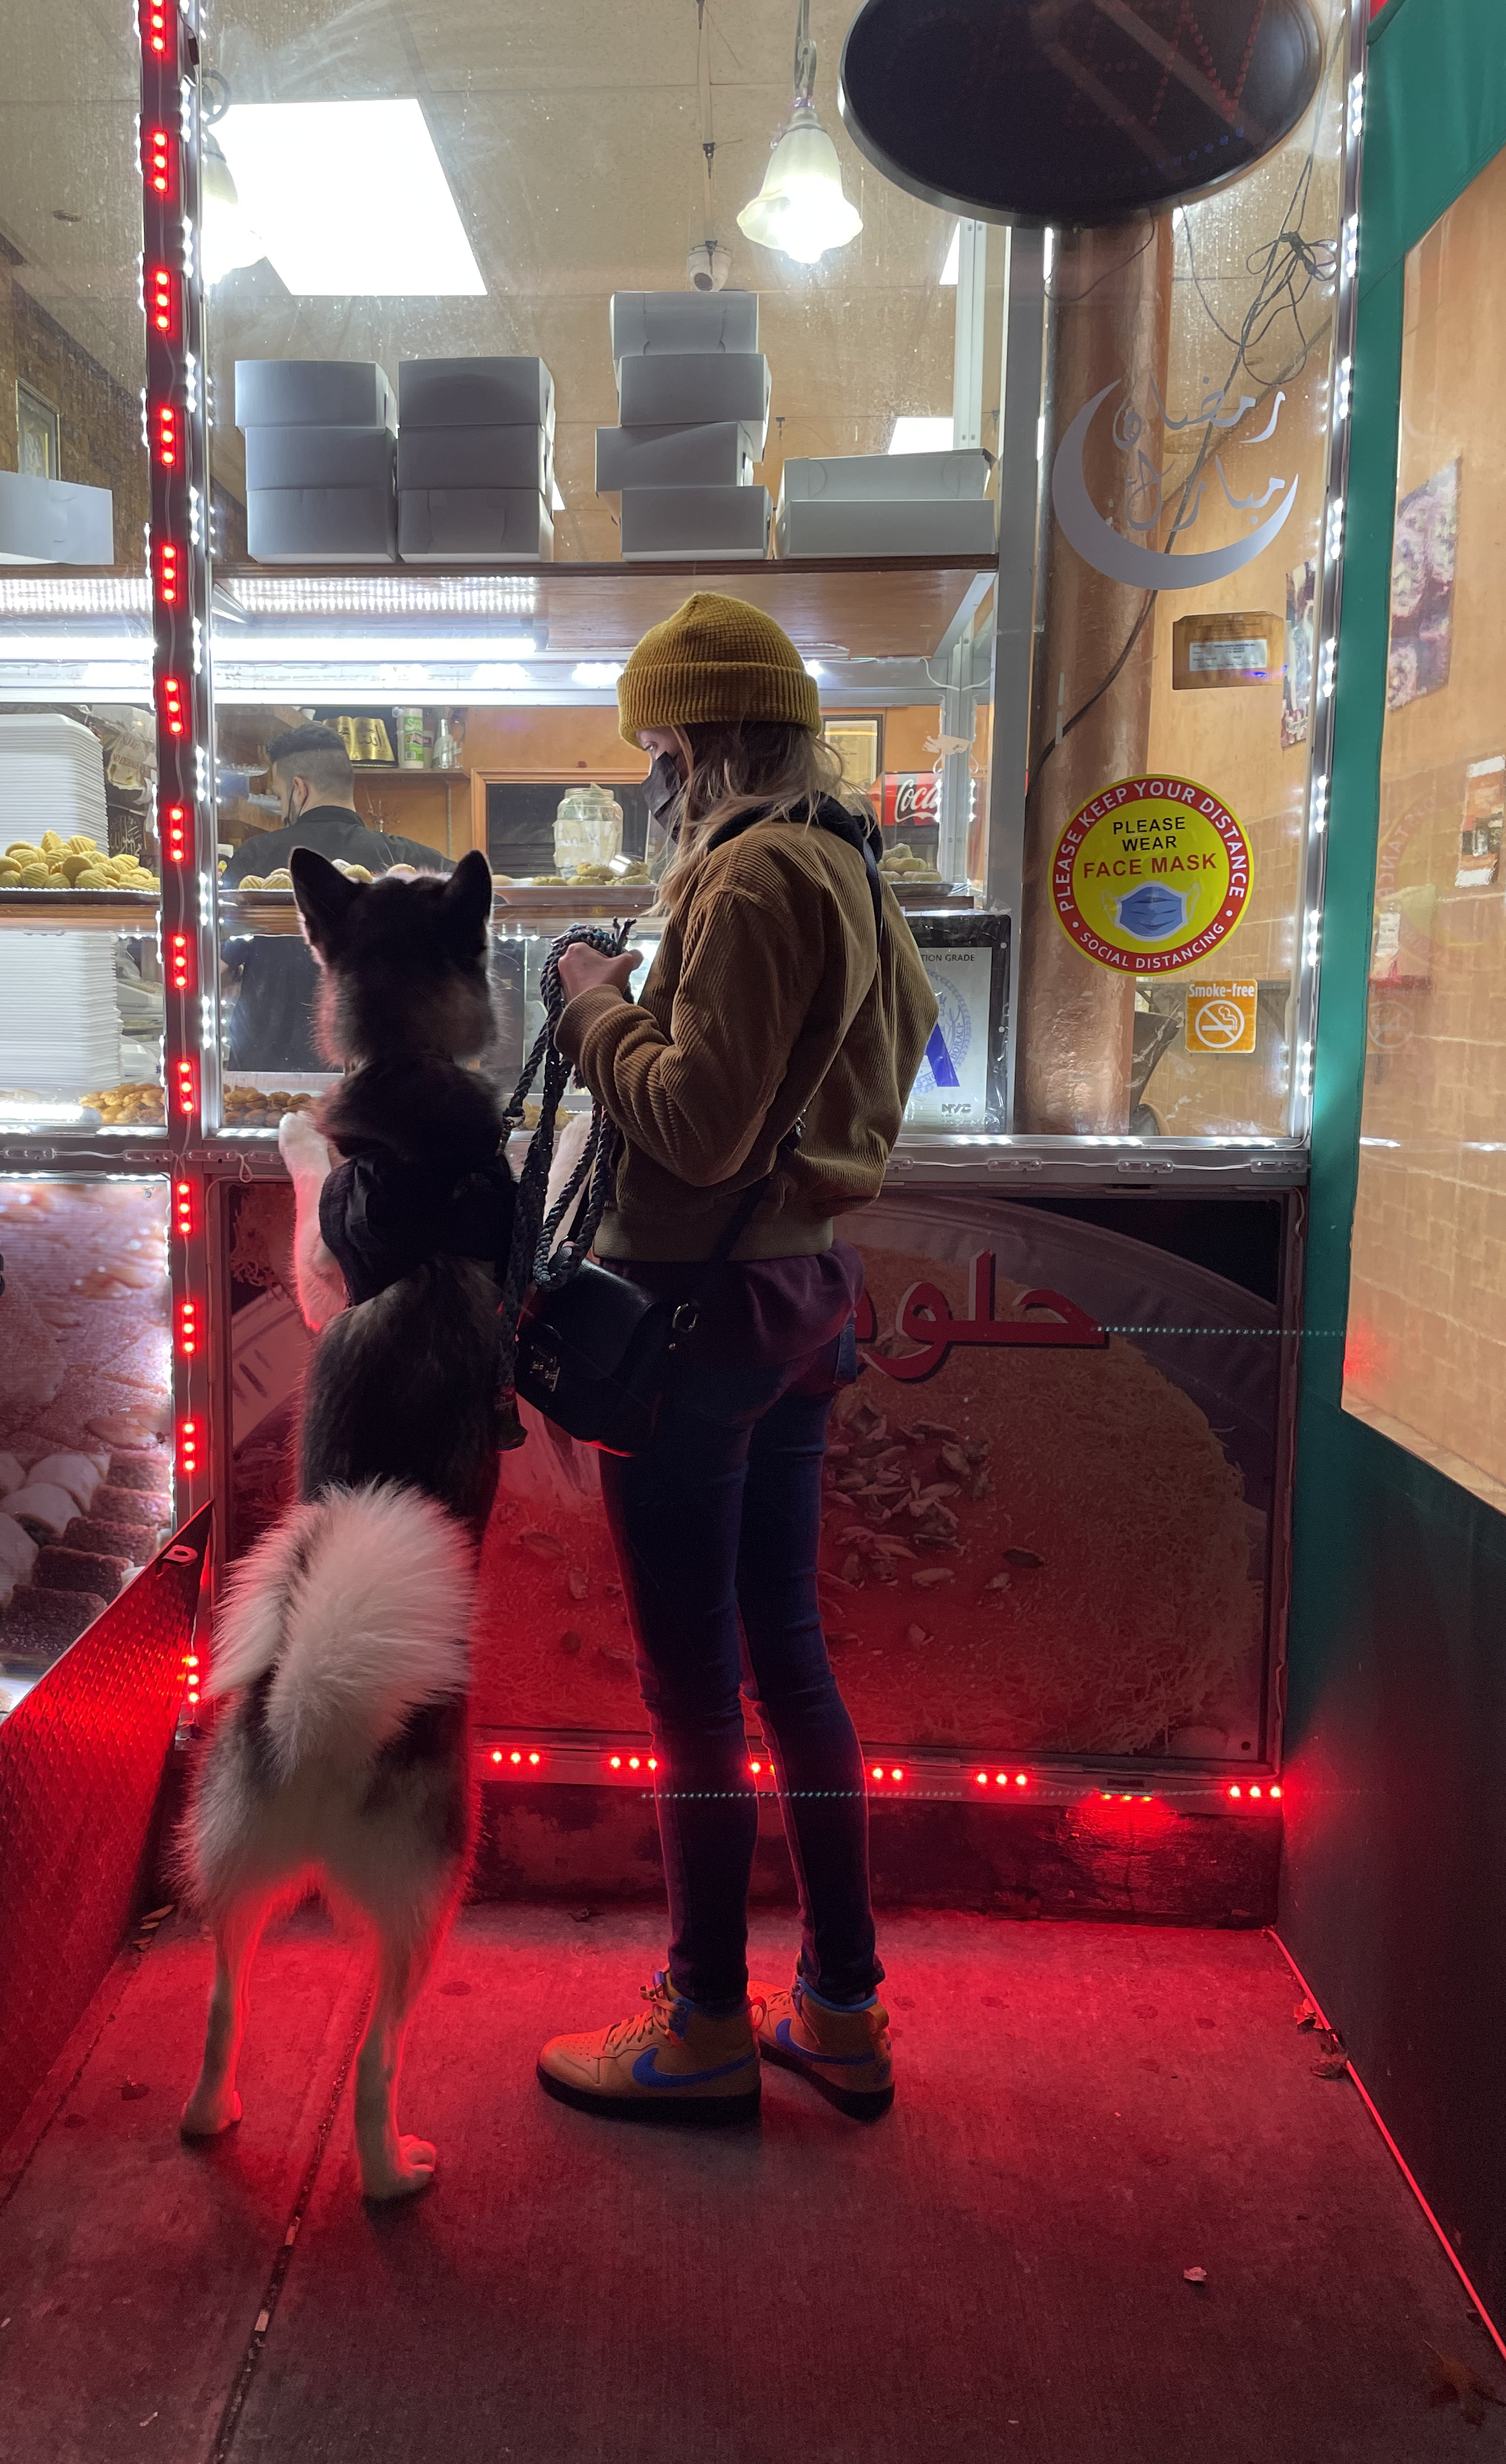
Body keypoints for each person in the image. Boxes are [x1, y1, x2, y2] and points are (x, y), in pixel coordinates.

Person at [533, 593, 938, 2130]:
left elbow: (694, 1120)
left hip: (696, 1321)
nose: (650, 775)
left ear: (696, 744)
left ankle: (704, 2018)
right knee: (788, 1658)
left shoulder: (751, 874)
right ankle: (839, 2008)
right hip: (800, 1301)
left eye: (656, 747)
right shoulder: (851, 868)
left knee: (694, 1689)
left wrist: (590, 1005)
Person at [223, 722, 450, 1071]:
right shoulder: (414, 863)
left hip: (269, 1075)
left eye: (281, 796)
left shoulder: (256, 859)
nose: (283, 805)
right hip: (386, 1071)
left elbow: (215, 968)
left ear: (299, 790)